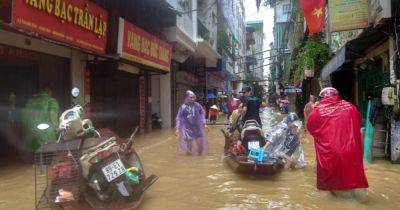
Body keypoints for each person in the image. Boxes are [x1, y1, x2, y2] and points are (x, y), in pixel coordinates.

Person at [307, 87, 368, 200]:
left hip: (331, 156)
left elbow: (310, 129)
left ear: (321, 97)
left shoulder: (317, 111)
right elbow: (358, 127)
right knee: (355, 185)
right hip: (352, 153)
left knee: (329, 189)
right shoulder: (351, 107)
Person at [21, 86, 60, 155]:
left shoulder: (29, 102)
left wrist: (27, 129)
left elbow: (23, 118)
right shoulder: (51, 101)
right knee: (46, 160)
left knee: (34, 160)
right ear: (49, 92)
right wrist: (57, 128)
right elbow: (53, 116)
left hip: (31, 138)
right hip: (47, 137)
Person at [176, 90, 208, 156]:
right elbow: (178, 118)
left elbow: (202, 114)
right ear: (187, 97)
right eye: (191, 97)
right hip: (187, 128)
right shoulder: (183, 107)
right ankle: (189, 160)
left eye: (194, 97)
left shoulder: (198, 105)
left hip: (197, 127)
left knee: (200, 146)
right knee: (189, 148)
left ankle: (199, 160)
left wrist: (204, 124)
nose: (193, 99)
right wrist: (177, 128)